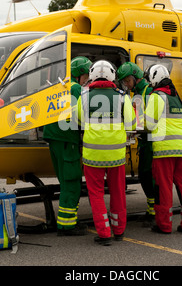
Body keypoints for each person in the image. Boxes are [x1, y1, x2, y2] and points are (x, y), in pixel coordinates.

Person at [77, 60, 136, 245]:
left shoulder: (84, 96)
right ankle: (119, 230)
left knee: (96, 194)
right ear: (112, 76)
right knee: (118, 192)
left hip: (92, 155)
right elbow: (132, 124)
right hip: (116, 155)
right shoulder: (121, 96)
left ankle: (104, 233)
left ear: (92, 75)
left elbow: (79, 120)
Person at [144, 64, 182, 234]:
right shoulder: (176, 97)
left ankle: (164, 225)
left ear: (154, 78)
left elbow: (149, 124)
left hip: (164, 149)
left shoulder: (156, 97)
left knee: (163, 188)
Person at [42, 56, 92, 236]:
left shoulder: (60, 85)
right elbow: (83, 113)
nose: (88, 79)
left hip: (54, 138)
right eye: (86, 75)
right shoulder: (76, 88)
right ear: (80, 74)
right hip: (67, 139)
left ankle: (65, 223)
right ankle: (67, 226)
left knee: (64, 180)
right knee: (72, 182)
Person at [117, 62, 156, 224]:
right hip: (143, 141)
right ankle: (152, 209)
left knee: (149, 177)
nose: (126, 84)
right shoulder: (137, 93)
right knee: (145, 176)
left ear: (135, 77)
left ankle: (154, 213)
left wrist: (137, 128)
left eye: (127, 80)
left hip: (151, 143)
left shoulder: (148, 92)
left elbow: (151, 120)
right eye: (124, 82)